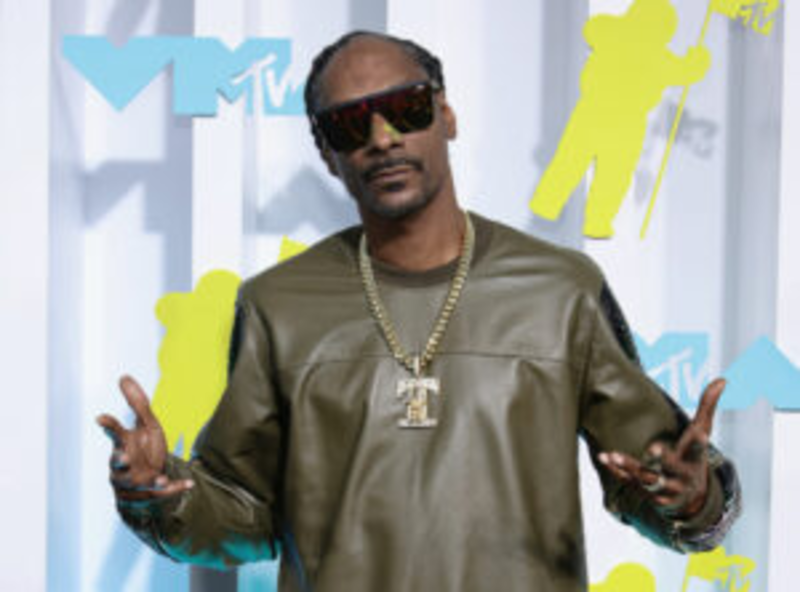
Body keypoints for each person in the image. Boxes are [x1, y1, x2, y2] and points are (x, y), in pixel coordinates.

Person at [98, 31, 741, 591]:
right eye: (350, 125)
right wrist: (158, 495)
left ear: (446, 114)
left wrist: (694, 499)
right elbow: (245, 512)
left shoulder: (559, 291)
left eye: (405, 109)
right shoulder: (278, 306)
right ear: (326, 153)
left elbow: (660, 483)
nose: (383, 138)